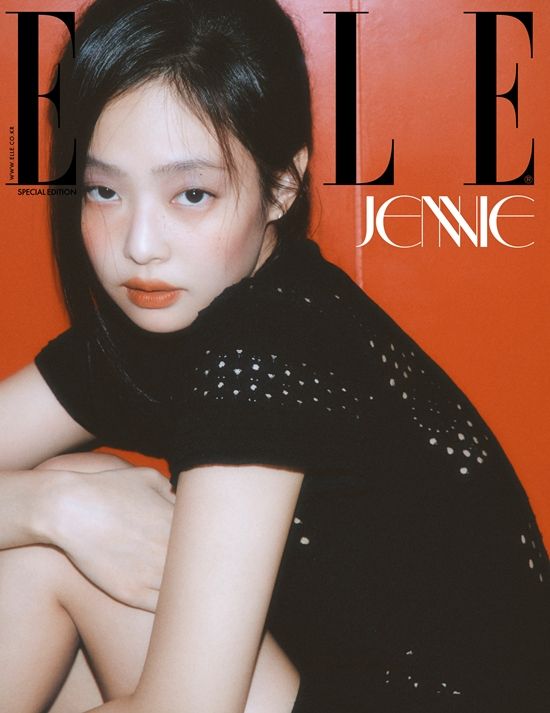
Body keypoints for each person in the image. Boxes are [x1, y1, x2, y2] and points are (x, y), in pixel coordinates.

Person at [0, 1, 548, 712]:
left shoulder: (271, 341)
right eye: (105, 190)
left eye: (191, 194)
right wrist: (52, 506)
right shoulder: (165, 316)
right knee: (62, 519)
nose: (140, 244)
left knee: (55, 544)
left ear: (282, 186)